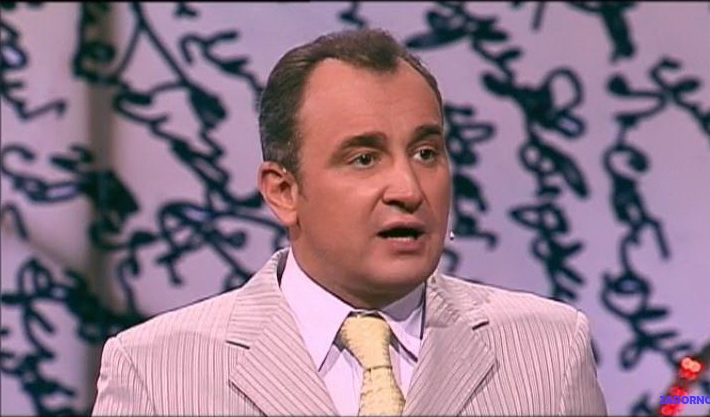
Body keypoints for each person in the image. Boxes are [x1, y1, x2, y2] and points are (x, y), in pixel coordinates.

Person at [91, 28, 607, 416]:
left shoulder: (549, 349)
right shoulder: (157, 371)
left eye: (426, 152)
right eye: (364, 159)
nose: (408, 189)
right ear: (284, 192)